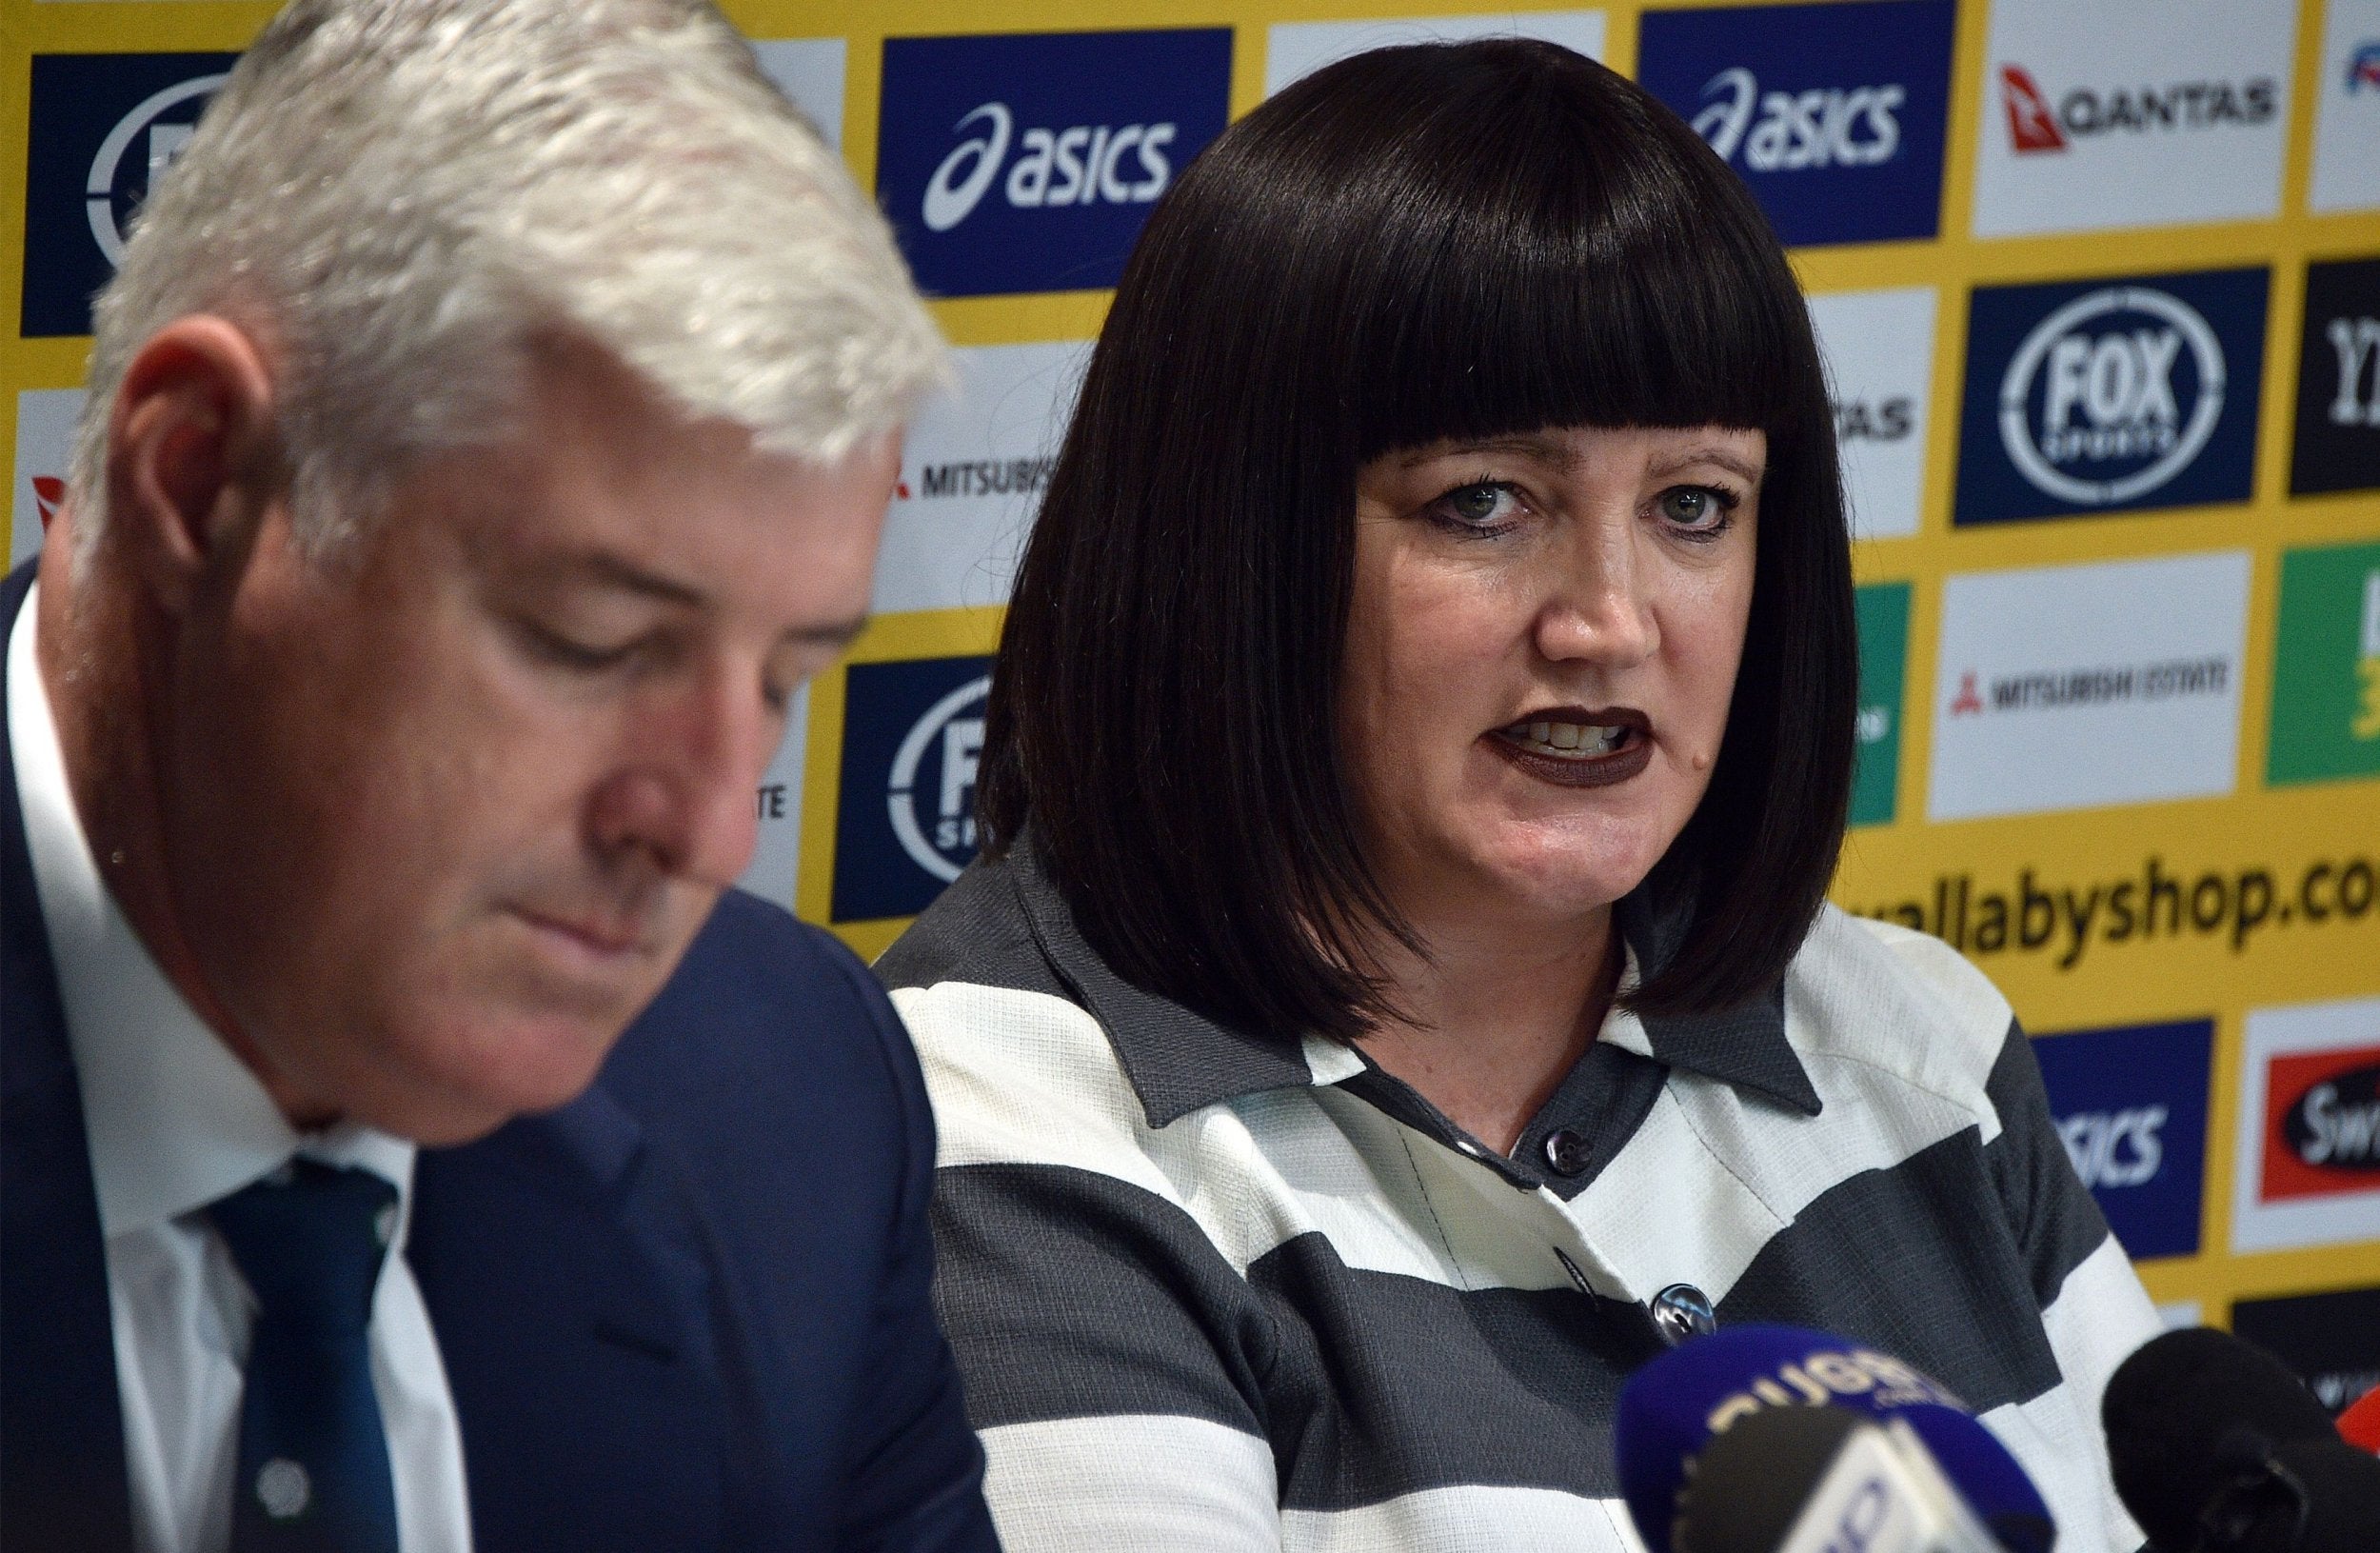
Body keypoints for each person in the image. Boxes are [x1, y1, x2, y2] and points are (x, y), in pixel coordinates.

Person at [880, 39, 2162, 1553]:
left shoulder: (1920, 1044)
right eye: (1483, 503)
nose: (1611, 621)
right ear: (1227, 550)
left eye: (1695, 507)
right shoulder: (1002, 1113)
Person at [1, 2, 998, 1549]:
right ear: (199, 480)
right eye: (592, 641)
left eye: (787, 680)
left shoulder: (785, 1099)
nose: (711, 828)